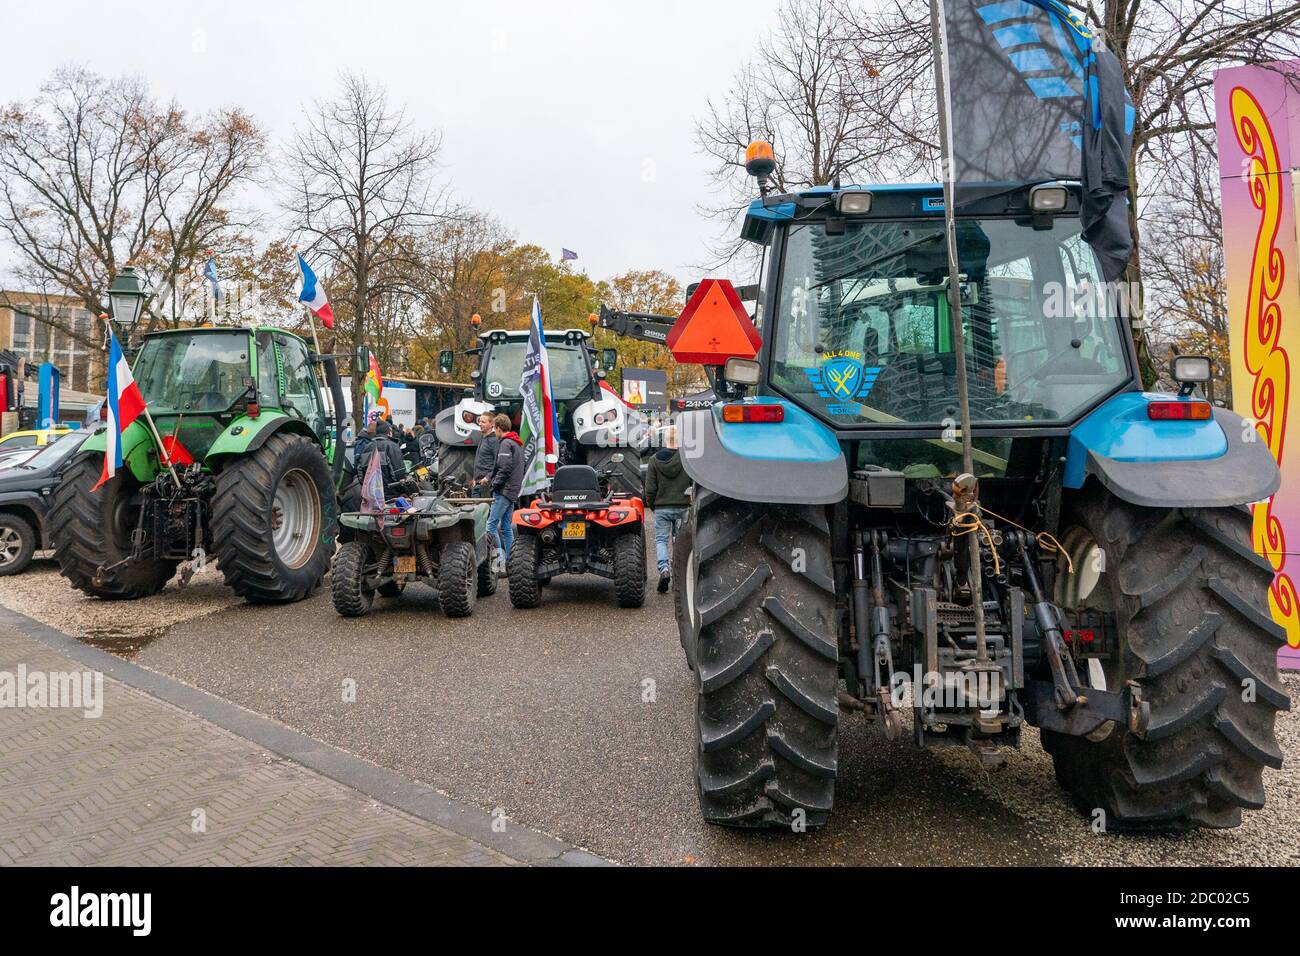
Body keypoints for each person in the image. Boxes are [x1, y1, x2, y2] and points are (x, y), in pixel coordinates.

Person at [644, 425, 690, 593]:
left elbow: (649, 489)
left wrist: (652, 506)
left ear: (665, 440)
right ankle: (680, 575)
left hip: (662, 508)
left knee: (661, 541)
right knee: (679, 542)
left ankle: (664, 570)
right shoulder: (687, 459)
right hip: (683, 507)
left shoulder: (654, 460)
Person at [487, 413, 524, 572]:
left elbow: (505, 467)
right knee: (506, 528)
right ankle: (511, 561)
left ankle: (500, 562)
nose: (494, 432)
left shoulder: (505, 444)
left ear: (499, 428)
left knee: (490, 525)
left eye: (494, 428)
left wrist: (494, 484)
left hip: (504, 490)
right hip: (513, 490)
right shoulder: (516, 443)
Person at [359, 417, 407, 486]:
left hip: (371, 491)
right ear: (389, 432)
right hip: (390, 491)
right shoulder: (392, 446)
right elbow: (399, 472)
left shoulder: (367, 447)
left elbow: (361, 471)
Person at [472, 411, 499, 494]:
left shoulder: (494, 441)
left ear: (492, 424)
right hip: (477, 484)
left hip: (487, 485)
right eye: (479, 421)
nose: (480, 424)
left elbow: (498, 463)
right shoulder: (483, 439)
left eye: (483, 422)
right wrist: (474, 478)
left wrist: (487, 478)